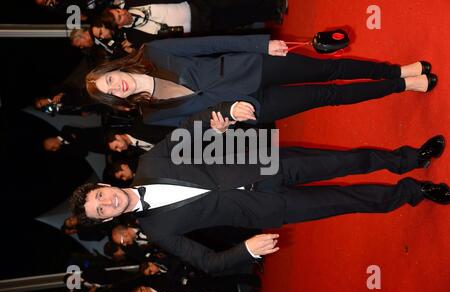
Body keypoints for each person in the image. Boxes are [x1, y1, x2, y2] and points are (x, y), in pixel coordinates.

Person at [69, 109, 448, 273]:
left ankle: (410, 158)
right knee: (347, 202)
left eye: (100, 197)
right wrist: (245, 251)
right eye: (101, 211)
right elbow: (206, 262)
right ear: (110, 219)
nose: (106, 203)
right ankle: (415, 191)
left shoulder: (149, 164)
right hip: (267, 209)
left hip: (265, 163)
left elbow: (188, 131)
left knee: (346, 161)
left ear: (105, 186)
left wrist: (220, 119)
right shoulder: (156, 231)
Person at [85, 34, 438, 127]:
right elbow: (196, 125)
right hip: (252, 108)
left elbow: (209, 44)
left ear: (117, 68)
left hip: (252, 68)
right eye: (110, 91)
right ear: (113, 100)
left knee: (328, 71)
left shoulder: (153, 53)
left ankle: (396, 70)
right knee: (328, 96)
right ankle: (402, 86)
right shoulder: (150, 115)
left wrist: (260, 44)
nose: (118, 85)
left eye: (112, 78)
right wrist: (219, 127)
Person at [91, 0, 287, 46]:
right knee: (235, 19)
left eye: (117, 11)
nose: (121, 13)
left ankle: (273, 3)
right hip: (196, 28)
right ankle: (270, 13)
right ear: (118, 26)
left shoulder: (133, 2)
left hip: (193, 5)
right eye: (118, 17)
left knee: (232, 3)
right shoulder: (134, 37)